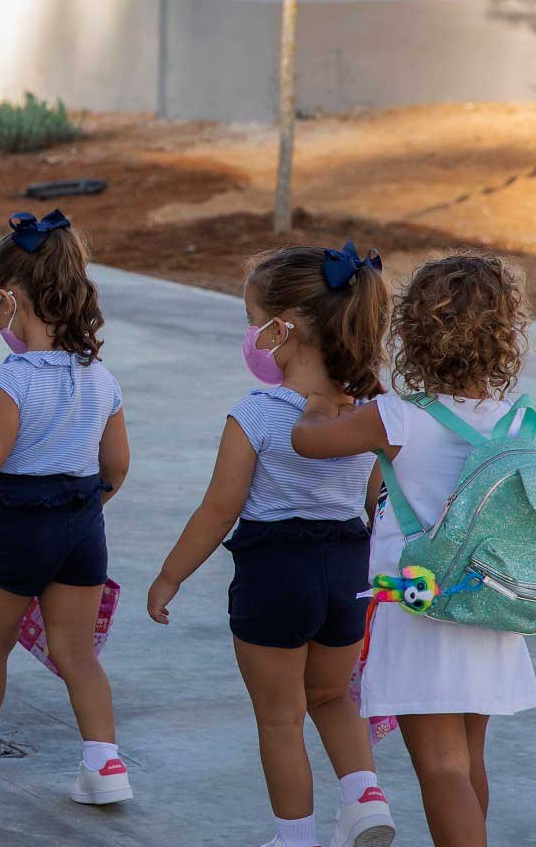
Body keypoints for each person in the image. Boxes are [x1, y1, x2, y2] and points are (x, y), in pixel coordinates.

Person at [146, 243, 399, 847]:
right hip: (346, 571)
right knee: (334, 695)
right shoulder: (367, 410)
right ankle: (365, 799)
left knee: (281, 718)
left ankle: (295, 838)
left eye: (254, 321)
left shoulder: (257, 414)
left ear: (283, 330)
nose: (251, 335)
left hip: (274, 574)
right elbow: (374, 497)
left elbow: (219, 508)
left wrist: (169, 576)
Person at [290, 255, 536, 847]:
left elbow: (308, 443)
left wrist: (319, 404)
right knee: (468, 758)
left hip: (419, 605)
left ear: (408, 335)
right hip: (487, 605)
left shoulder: (395, 417)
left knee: (440, 766)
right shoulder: (514, 419)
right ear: (506, 337)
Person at [0, 211, 134, 807]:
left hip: (18, 527)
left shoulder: (10, 381)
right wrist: (82, 507)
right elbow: (116, 465)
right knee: (77, 653)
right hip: (82, 524)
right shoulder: (101, 377)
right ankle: (104, 764)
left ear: (10, 300)